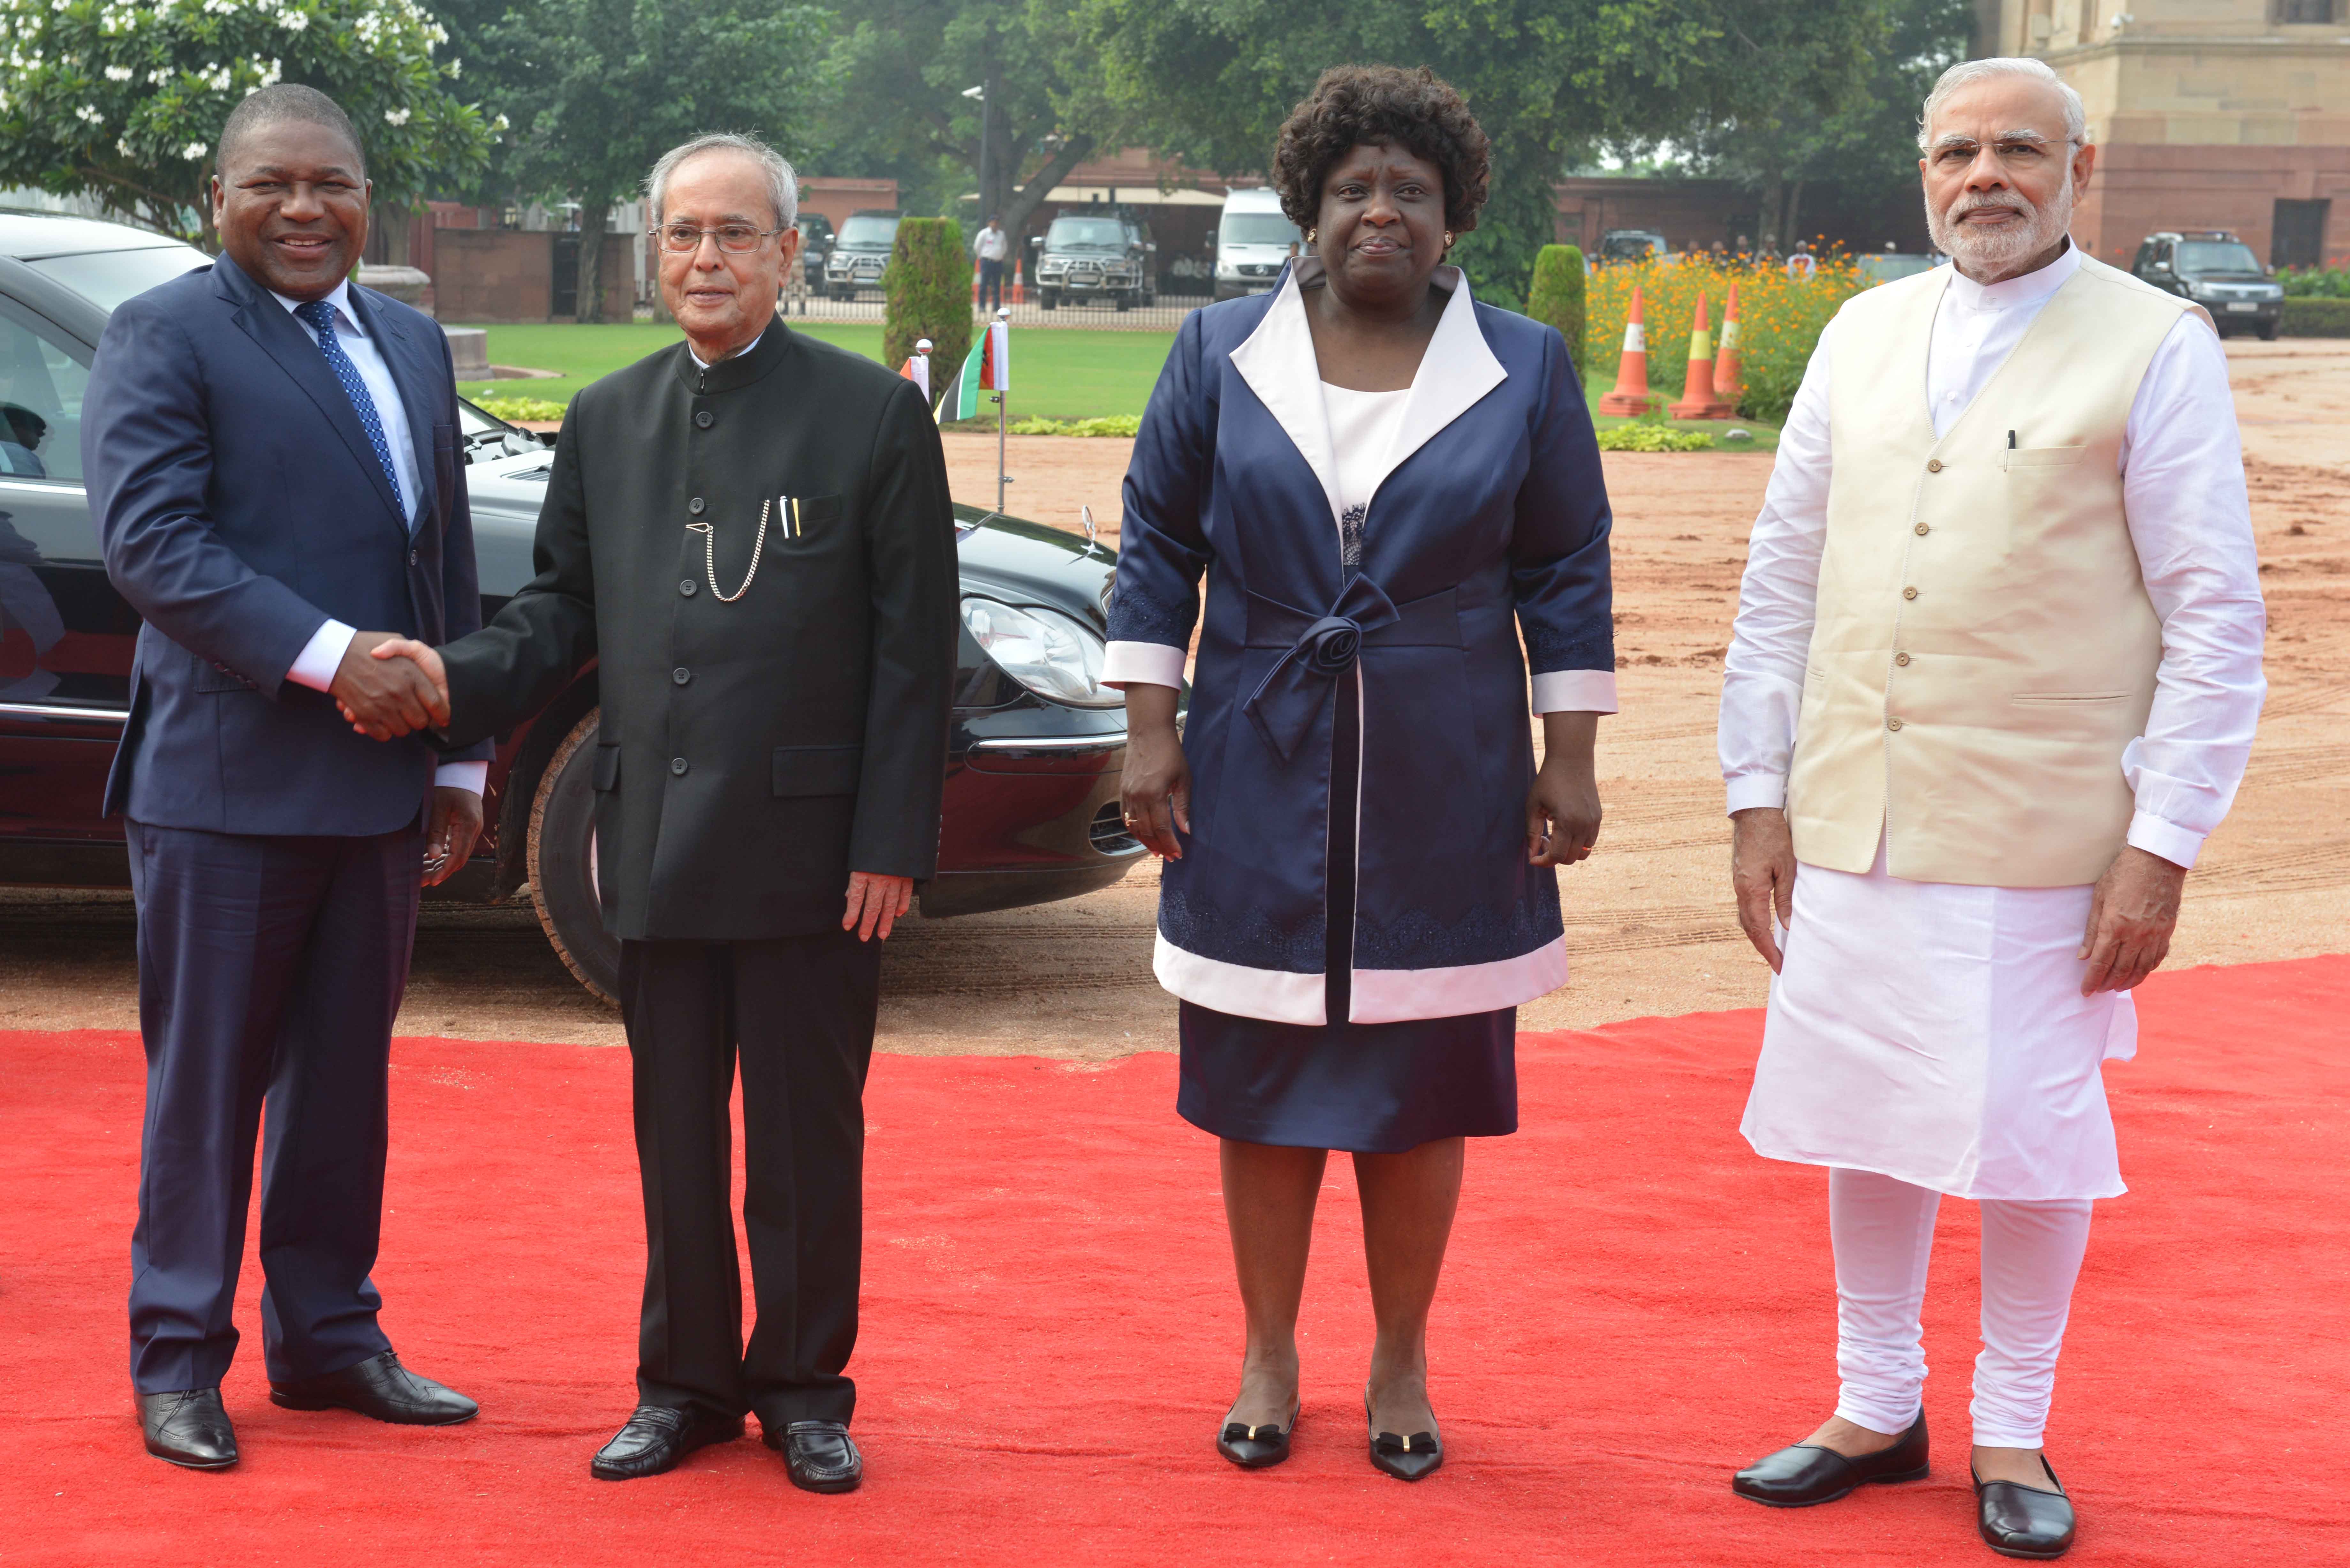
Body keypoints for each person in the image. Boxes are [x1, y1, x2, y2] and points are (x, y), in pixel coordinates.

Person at [1719, 57, 2263, 1559]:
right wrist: (1752, 793)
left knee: (2025, 1130)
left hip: (2046, 831)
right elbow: (1779, 579)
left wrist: (2158, 844)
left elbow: (2214, 612)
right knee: (1866, 1115)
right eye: (1954, 152)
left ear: (2074, 171)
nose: (1983, 177)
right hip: (1852, 816)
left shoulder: (2153, 343)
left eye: (2017, 149)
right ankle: (1871, 1402)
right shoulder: (1859, 330)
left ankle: (2008, 1420)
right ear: (1921, 174)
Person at [377, 132, 957, 1493]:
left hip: (820, 853)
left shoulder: (873, 420)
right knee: (676, 1130)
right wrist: (443, 680)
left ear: (790, 255)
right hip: (652, 840)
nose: (707, 257)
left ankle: (806, 1385)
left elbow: (913, 654)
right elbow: (562, 615)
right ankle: (686, 1380)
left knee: (806, 1136)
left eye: (736, 234)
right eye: (685, 234)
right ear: (656, 252)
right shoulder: (609, 418)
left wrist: (891, 839)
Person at [1109, 64, 1614, 1482]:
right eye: (1353, 190)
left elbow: (1568, 565)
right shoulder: (1218, 350)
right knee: (1260, 1072)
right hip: (1251, 755)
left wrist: (1565, 757)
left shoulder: (1524, 364)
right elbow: (1156, 543)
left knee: (1420, 1076)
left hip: (1447, 759)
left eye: (1411, 191)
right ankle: (1268, 1350)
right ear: (1309, 210)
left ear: (1452, 219)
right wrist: (1151, 730)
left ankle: (1401, 1353)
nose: (1380, 211)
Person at [79, 84, 491, 1470]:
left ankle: (329, 1336)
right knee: (207, 1085)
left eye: (333, 183)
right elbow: (153, 544)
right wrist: (330, 658)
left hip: (383, 790)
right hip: (222, 787)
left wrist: (469, 746)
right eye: (272, 184)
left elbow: (447, 567)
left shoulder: (414, 344)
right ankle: (179, 1356)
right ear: (219, 200)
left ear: (370, 199)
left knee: (342, 1087)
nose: (306, 208)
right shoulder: (165, 334)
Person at [975, 213, 1009, 309]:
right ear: (989, 223)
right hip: (986, 261)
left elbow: (1005, 247)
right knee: (984, 284)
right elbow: (977, 246)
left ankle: (996, 306)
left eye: (997, 223)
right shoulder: (984, 233)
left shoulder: (1001, 234)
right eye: (993, 223)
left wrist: (1000, 256)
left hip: (998, 262)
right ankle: (982, 306)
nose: (995, 225)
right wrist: (981, 257)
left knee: (997, 285)